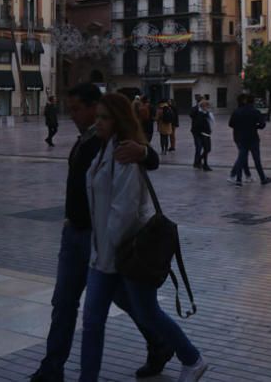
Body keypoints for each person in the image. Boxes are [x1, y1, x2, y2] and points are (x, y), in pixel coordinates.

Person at [30, 84, 167, 382]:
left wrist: (144, 151)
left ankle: (160, 341)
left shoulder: (108, 141)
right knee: (63, 303)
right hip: (74, 234)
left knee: (126, 300)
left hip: (101, 238)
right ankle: (52, 368)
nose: (72, 115)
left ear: (95, 108)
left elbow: (151, 159)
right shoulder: (84, 141)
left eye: (77, 109)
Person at [79, 93, 207, 382]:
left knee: (146, 313)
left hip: (125, 254)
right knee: (99, 320)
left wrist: (107, 250)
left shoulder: (124, 155)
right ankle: (181, 355)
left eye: (104, 117)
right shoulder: (102, 148)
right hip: (105, 254)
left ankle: (192, 358)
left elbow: (123, 212)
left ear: (119, 121)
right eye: (97, 116)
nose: (98, 122)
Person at [228, 94, 271, 186]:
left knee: (241, 159)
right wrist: (255, 126)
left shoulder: (236, 111)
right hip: (252, 138)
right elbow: (262, 125)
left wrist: (240, 127)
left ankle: (239, 179)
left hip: (240, 138)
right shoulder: (255, 111)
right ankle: (262, 178)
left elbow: (231, 124)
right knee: (257, 160)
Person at [191, 99, 214, 171]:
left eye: (207, 106)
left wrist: (210, 130)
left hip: (207, 133)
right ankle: (204, 164)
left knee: (208, 149)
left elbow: (212, 122)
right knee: (202, 148)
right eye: (205, 106)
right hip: (200, 133)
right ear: (202, 106)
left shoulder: (208, 113)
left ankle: (199, 160)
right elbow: (197, 122)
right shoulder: (198, 113)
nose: (207, 107)